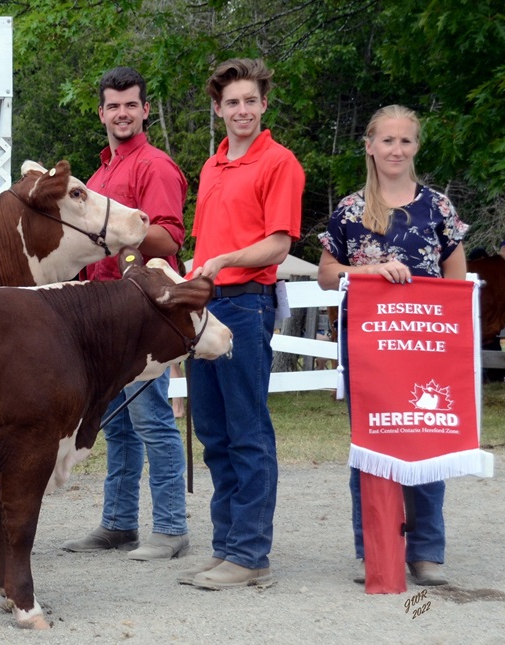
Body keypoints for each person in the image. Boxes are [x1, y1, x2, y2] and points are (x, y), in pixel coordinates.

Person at [317, 105, 467, 586]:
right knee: (371, 446)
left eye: (405, 141)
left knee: (426, 444)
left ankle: (426, 552)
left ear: (416, 146)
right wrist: (368, 271)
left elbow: (456, 279)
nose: (396, 149)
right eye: (387, 141)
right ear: (369, 145)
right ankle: (375, 547)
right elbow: (325, 276)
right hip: (369, 350)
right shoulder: (350, 209)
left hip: (426, 348)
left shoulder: (438, 207)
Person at [182, 58, 305, 589]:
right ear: (218, 108)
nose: (241, 110)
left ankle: (251, 554)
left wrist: (223, 260)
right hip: (206, 305)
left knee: (247, 429)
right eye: (232, 102)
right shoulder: (212, 166)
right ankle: (227, 546)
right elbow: (202, 244)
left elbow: (279, 243)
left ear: (263, 104)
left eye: (250, 100)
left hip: (246, 303)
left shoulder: (279, 162)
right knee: (213, 431)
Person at [60, 66, 190, 561]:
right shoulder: (99, 176)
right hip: (101, 314)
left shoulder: (154, 166)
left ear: (145, 110)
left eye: (130, 104)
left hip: (141, 312)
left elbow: (171, 237)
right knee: (115, 424)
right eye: (113, 106)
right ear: (101, 113)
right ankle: (118, 524)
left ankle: (172, 527)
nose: (121, 113)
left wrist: (119, 231)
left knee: (152, 418)